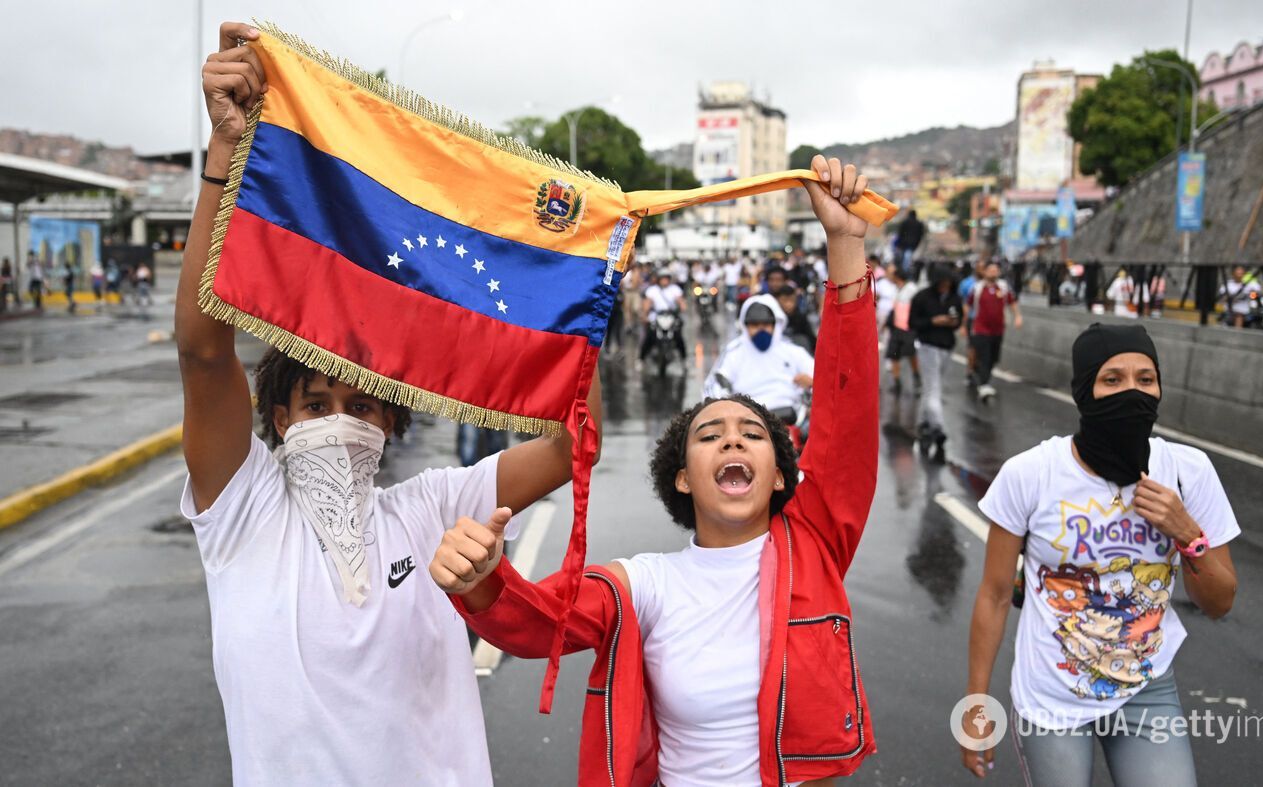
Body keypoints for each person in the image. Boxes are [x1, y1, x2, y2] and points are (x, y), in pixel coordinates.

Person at [174, 23, 602, 784]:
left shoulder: (432, 504)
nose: (339, 421)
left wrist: (573, 283)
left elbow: (573, 446)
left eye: (362, 408)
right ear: (278, 420)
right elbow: (204, 352)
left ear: (392, 422)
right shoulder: (241, 513)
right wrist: (223, 156)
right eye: (315, 404)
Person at [435, 155, 878, 787]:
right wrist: (482, 579)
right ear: (682, 476)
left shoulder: (815, 546)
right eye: (710, 435)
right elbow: (540, 622)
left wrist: (846, 243)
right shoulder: (645, 586)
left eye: (753, 434)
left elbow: (848, 410)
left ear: (781, 475)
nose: (733, 440)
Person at [962, 323, 1239, 786]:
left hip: (1147, 688)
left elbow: (1220, 602)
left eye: (1145, 379)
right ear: (1083, 391)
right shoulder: (1030, 475)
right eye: (1113, 380)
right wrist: (975, 707)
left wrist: (1186, 532)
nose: (1133, 392)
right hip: (1052, 695)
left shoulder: (1188, 472)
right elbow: (992, 596)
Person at [704, 293, 814, 416]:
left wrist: (811, 383)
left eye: (766, 325)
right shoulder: (733, 353)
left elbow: (822, 383)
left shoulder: (793, 351)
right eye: (755, 325)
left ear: (775, 324)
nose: (761, 330)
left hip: (791, 417)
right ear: (745, 326)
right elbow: (714, 388)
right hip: (748, 418)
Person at [908, 266, 963, 461]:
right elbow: (912, 322)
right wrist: (933, 321)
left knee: (931, 388)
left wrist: (951, 322)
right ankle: (939, 427)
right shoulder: (922, 297)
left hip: (947, 346)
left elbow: (959, 320)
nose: (945, 287)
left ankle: (924, 422)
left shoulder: (954, 298)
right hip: (928, 345)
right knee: (934, 388)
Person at [964, 260, 1022, 402]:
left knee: (993, 358)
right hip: (980, 328)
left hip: (998, 329)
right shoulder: (977, 288)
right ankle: (984, 384)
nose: (993, 273)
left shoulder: (1003, 287)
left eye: (996, 270)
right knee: (984, 355)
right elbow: (967, 305)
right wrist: (964, 323)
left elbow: (1012, 302)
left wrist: (1017, 316)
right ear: (984, 272)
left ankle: (981, 375)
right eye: (990, 270)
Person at [639, 268, 686, 368]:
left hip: (671, 317)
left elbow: (681, 302)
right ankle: (641, 360)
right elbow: (647, 304)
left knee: (679, 338)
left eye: (666, 278)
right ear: (659, 279)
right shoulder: (652, 290)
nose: (665, 280)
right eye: (663, 278)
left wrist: (681, 307)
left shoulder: (675, 289)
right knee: (649, 338)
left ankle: (684, 360)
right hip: (656, 317)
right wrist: (644, 315)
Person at [886, 264, 921, 395]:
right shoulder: (896, 289)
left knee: (911, 354)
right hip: (896, 327)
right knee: (893, 355)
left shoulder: (912, 289)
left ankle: (917, 377)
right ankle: (897, 382)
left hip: (908, 328)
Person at [773, 284, 817, 353]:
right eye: (784, 300)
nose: (788, 304)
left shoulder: (801, 317)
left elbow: (811, 340)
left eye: (791, 300)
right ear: (777, 300)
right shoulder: (772, 317)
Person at [894, 209, 925, 274]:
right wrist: (917, 243)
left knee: (902, 258)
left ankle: (901, 271)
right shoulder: (919, 224)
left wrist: (899, 243)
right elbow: (920, 235)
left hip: (903, 244)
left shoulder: (904, 222)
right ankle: (905, 271)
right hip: (912, 244)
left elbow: (900, 233)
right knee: (907, 258)